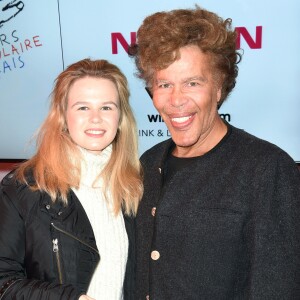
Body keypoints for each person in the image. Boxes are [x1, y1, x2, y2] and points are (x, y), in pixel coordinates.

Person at [128, 5, 300, 299]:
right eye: (164, 84)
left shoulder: (267, 168)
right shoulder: (148, 162)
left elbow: (278, 287)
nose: (176, 100)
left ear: (219, 87)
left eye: (192, 83)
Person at [0, 58, 143, 300]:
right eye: (83, 107)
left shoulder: (136, 184)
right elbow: (4, 282)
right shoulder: (24, 186)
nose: (96, 118)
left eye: (107, 107)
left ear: (121, 117)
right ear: (64, 116)